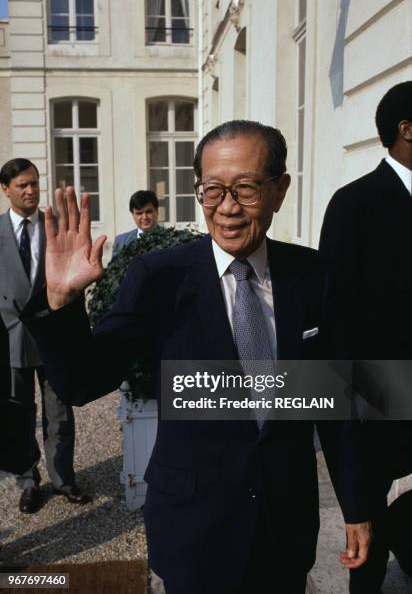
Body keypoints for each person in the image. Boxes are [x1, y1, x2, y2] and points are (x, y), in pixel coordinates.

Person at [22, 122, 370, 594]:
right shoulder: (159, 275)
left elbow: (335, 404)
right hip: (196, 528)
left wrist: (357, 505)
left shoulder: (311, 275)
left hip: (284, 523)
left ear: (279, 190)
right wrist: (61, 304)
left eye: (245, 188)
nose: (227, 208)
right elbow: (83, 382)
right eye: (213, 190)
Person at [319, 81, 412, 593]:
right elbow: (338, 321)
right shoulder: (354, 204)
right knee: (368, 532)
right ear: (407, 130)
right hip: (378, 400)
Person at [0, 158, 91, 513]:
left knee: (60, 412)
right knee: (18, 415)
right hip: (10, 338)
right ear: (6, 189)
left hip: (52, 336)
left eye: (34, 183)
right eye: (22, 185)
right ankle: (27, 482)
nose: (30, 190)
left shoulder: (55, 227)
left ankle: (63, 479)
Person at [112, 190, 159, 257]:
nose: (145, 217)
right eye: (139, 213)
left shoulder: (172, 239)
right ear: (133, 215)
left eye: (148, 212)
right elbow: (114, 267)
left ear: (157, 212)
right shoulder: (121, 241)